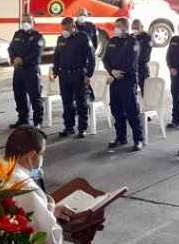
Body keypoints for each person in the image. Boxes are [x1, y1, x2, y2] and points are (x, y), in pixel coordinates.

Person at [7, 125, 76, 244]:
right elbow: (47, 239)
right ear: (31, 156)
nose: (42, 159)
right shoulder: (25, 187)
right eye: (42, 154)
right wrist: (49, 212)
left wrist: (48, 211)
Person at [103, 18, 144, 152]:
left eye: (119, 26)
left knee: (132, 111)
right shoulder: (112, 41)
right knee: (116, 110)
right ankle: (121, 137)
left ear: (125, 27)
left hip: (127, 81)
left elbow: (130, 62)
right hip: (115, 82)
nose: (116, 28)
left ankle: (138, 139)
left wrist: (114, 75)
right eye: (115, 26)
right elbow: (106, 59)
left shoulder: (133, 42)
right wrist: (112, 72)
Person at [51, 17, 95, 138]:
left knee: (81, 102)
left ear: (73, 26)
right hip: (64, 75)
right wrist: (54, 72)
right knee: (67, 102)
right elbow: (56, 57)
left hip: (79, 74)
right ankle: (69, 127)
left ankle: (82, 128)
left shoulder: (83, 38)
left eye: (67, 29)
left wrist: (88, 74)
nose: (64, 31)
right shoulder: (61, 39)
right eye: (63, 29)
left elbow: (91, 57)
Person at [8, 13, 46, 128]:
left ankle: (37, 122)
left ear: (33, 22)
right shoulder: (17, 34)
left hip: (31, 71)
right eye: (23, 21)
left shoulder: (38, 36)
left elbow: (36, 53)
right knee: (19, 95)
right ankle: (22, 119)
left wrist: (22, 60)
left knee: (35, 96)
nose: (26, 23)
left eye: (28, 21)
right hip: (18, 71)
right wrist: (14, 59)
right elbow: (11, 48)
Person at [130, 19, 152, 97]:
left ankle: (146, 106)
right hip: (131, 69)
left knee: (145, 92)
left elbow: (146, 55)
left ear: (141, 27)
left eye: (137, 28)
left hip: (142, 68)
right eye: (134, 28)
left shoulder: (147, 37)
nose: (135, 30)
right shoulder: (130, 37)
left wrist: (133, 61)